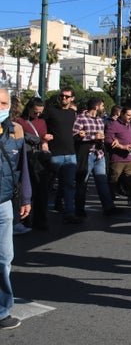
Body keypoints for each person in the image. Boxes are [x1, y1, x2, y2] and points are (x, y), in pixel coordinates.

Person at [0, 88, 31, 330]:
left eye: (3, 103)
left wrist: (25, 198)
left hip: (5, 204)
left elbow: (23, 168)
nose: (0, 107)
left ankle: (1, 310)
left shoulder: (16, 131)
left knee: (4, 259)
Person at [72, 97, 119, 216]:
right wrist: (92, 137)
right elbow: (74, 135)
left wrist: (101, 139)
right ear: (96, 107)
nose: (103, 108)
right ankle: (79, 209)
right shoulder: (80, 118)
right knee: (82, 182)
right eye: (102, 106)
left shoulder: (99, 120)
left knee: (102, 181)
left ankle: (108, 207)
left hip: (99, 154)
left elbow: (101, 135)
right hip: (86, 155)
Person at [43, 87, 81, 223]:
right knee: (47, 184)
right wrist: (44, 138)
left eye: (66, 96)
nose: (63, 98)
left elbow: (75, 131)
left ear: (72, 98)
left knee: (69, 184)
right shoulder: (51, 111)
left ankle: (69, 212)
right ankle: (40, 213)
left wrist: (79, 135)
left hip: (70, 153)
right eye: (61, 96)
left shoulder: (73, 113)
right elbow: (41, 124)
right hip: (55, 154)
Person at [16, 97, 52, 231]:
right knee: (25, 190)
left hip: (39, 158)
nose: (38, 115)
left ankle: (40, 219)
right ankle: (24, 220)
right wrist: (38, 139)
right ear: (29, 109)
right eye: (35, 112)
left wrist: (46, 140)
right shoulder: (20, 121)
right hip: (26, 157)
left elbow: (44, 138)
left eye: (40, 112)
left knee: (41, 190)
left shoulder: (42, 121)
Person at [105, 107, 131, 213]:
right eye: (128, 115)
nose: (130, 117)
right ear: (121, 114)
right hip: (117, 160)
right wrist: (122, 147)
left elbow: (129, 138)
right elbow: (108, 139)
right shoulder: (114, 125)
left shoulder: (128, 125)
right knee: (113, 182)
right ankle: (109, 206)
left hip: (129, 158)